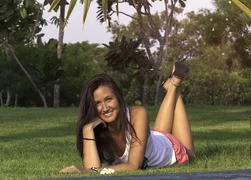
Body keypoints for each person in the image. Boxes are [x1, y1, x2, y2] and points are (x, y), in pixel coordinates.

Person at [60, 62, 195, 174]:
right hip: (153, 139)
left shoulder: (138, 113)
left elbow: (133, 165)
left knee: (191, 155)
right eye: (97, 103)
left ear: (118, 97)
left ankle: (174, 86)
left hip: (171, 149)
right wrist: (87, 129)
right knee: (155, 137)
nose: (105, 108)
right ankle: (172, 86)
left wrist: (85, 171)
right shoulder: (96, 128)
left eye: (108, 99)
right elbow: (93, 170)